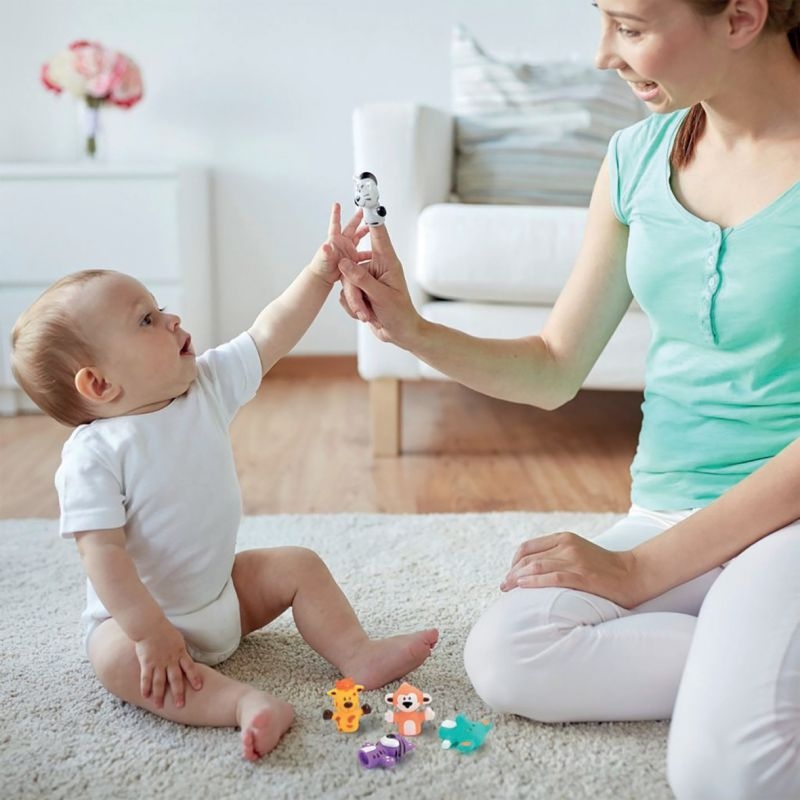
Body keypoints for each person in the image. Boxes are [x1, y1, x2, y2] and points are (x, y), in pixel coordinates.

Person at [337, 1, 800, 797]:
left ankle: (754, 663)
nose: (600, 57)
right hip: (670, 507)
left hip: (786, 520)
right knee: (508, 657)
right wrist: (411, 330)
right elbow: (554, 366)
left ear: (742, 17)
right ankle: (753, 661)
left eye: (628, 26)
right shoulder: (636, 157)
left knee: (724, 773)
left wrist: (636, 571)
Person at [10, 203, 438, 762]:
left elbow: (271, 331)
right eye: (146, 320)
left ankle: (357, 652)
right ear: (98, 383)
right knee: (112, 659)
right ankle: (242, 704)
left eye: (159, 308)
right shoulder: (93, 455)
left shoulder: (204, 386)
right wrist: (148, 632)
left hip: (222, 597)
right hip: (147, 624)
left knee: (298, 565)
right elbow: (103, 557)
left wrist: (321, 270)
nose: (171, 320)